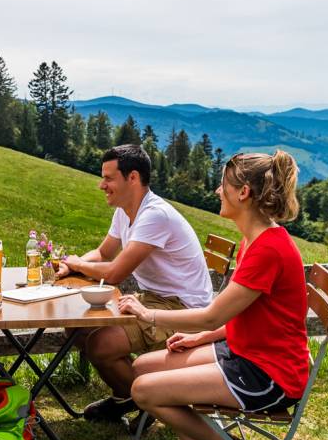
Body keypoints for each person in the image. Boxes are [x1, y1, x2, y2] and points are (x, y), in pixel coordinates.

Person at [117, 151, 309, 440]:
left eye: (223, 185)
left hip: (269, 375)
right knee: (142, 367)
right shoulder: (255, 241)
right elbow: (243, 316)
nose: (218, 191)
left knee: (144, 391)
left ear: (243, 193)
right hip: (246, 353)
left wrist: (148, 315)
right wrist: (202, 338)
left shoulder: (268, 249)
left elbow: (211, 315)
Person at [56, 144, 212, 425]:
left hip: (181, 309)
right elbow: (103, 253)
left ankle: (150, 401)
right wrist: (71, 264)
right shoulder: (125, 211)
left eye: (108, 178)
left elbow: (115, 272)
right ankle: (127, 397)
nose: (101, 185)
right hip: (153, 298)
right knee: (76, 328)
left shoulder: (155, 215)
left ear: (133, 178)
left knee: (101, 344)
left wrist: (77, 263)